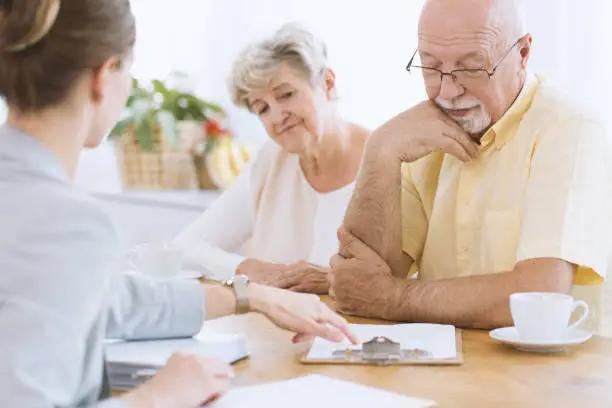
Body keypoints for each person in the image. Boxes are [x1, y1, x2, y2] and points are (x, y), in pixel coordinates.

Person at [0, 1, 357, 407]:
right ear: (105, 75)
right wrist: (157, 397)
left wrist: (251, 296)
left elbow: (112, 300)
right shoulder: (62, 223)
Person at [330, 0, 612, 329]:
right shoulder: (420, 134)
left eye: (472, 68)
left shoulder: (570, 128)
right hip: (442, 368)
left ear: (522, 53)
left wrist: (393, 298)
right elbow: (362, 280)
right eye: (431, 67)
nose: (448, 90)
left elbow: (540, 296)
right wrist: (379, 151)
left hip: (549, 375)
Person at [173, 23, 369, 294]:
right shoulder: (270, 161)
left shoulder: (386, 158)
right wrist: (243, 268)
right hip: (277, 333)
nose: (277, 116)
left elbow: (414, 281)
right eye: (262, 108)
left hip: (368, 333)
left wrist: (333, 281)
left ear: (327, 84)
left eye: (286, 95)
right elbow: (184, 248)